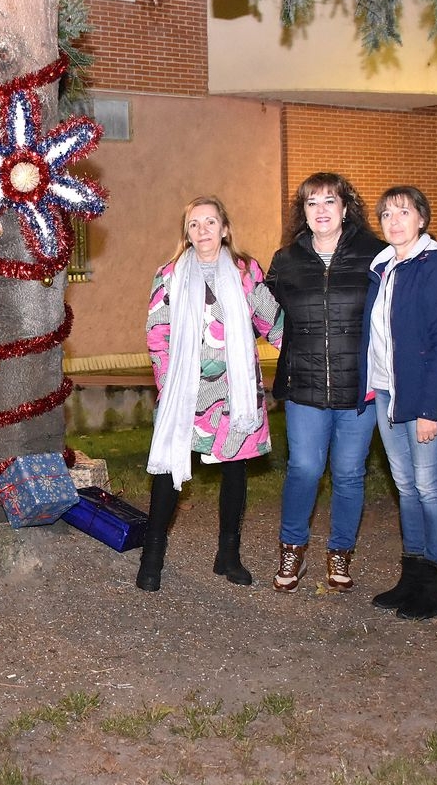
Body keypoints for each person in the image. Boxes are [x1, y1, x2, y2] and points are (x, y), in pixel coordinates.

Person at [137, 195, 282, 592]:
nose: (203, 230)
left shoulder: (245, 271)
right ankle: (152, 558)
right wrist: (169, 387)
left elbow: (271, 320)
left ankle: (228, 555)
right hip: (185, 390)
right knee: (168, 469)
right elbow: (157, 334)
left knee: (235, 469)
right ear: (187, 232)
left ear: (225, 228)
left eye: (210, 222)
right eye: (195, 223)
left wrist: (306, 357)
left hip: (234, 389)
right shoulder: (168, 275)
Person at [264, 173, 385, 593]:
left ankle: (340, 555)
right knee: (305, 468)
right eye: (312, 203)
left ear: (346, 208)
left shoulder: (376, 256)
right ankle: (292, 550)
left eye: (329, 201)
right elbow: (264, 312)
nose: (321, 210)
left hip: (359, 389)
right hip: (305, 386)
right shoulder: (287, 260)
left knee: (350, 473)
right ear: (304, 212)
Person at [366, 186, 437, 620]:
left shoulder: (436, 265)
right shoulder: (383, 267)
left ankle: (435, 584)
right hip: (388, 391)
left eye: (403, 212)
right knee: (405, 486)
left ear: (422, 219)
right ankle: (411, 576)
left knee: (430, 487)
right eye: (387, 214)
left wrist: (430, 410)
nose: (394, 221)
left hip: (426, 395)